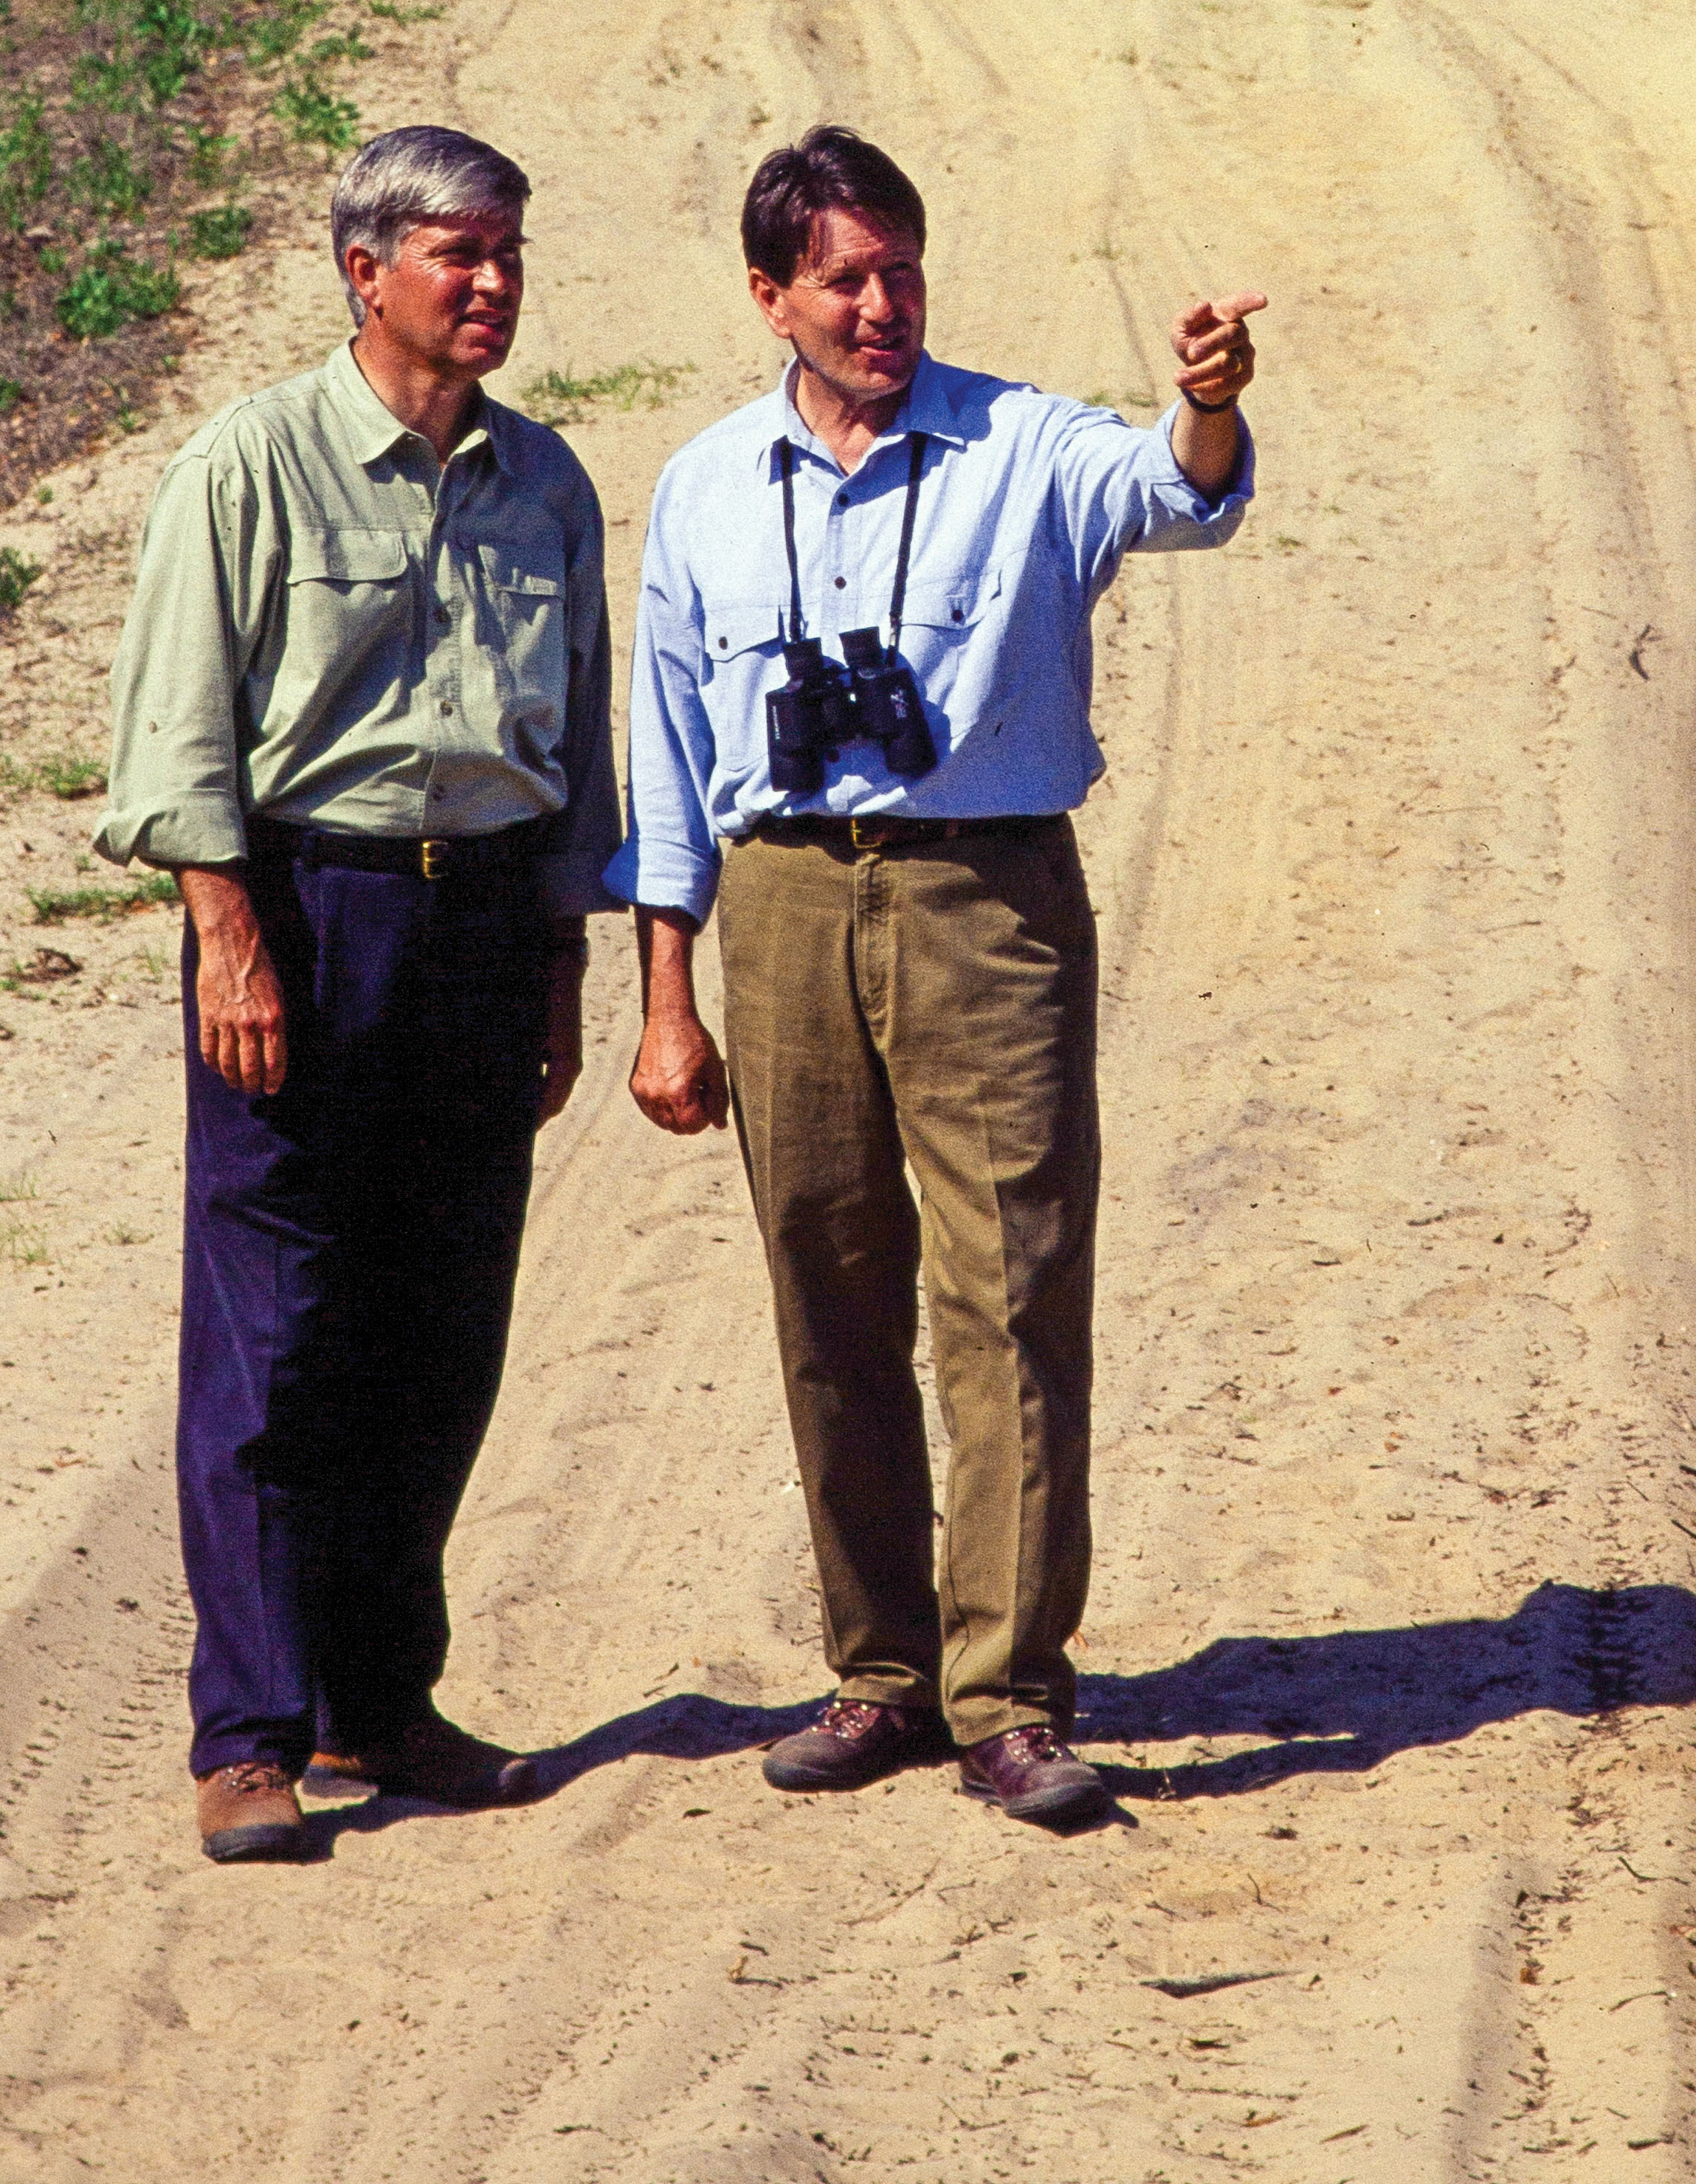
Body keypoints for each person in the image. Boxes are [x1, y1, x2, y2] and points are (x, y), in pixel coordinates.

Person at [620, 123, 1261, 1830]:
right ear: (771, 296)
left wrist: (1201, 397)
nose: (881, 303)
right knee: (824, 1288)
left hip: (984, 902)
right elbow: (667, 761)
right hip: (780, 908)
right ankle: (877, 1672)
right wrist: (664, 998)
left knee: (1009, 1293)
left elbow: (1176, 494)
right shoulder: (701, 487)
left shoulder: (1025, 442)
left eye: (901, 269)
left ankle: (1010, 1695)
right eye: (842, 278)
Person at [100, 123, 619, 1864]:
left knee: (438, 1333)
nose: (489, 286)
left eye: (508, 253)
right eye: (456, 253)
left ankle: (377, 1706)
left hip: (476, 926)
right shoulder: (245, 468)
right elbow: (178, 732)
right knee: (274, 1340)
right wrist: (227, 936)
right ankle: (247, 1737)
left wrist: (559, 956)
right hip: (305, 924)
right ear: (360, 267)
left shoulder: (543, 485)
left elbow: (576, 752)